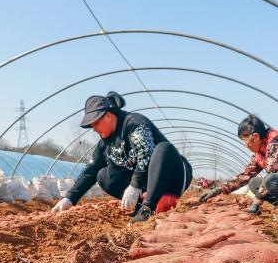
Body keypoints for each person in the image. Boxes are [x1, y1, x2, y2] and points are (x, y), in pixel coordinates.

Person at [52, 91, 193, 223]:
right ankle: (143, 204)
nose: (94, 129)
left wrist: (135, 185)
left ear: (107, 115)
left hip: (174, 178)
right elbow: (90, 171)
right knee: (103, 175)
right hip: (147, 186)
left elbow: (146, 151)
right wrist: (70, 198)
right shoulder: (104, 145)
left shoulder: (134, 123)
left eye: (95, 123)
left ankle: (148, 207)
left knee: (163, 148)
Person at [199, 114, 278, 221]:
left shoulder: (276, 143)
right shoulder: (260, 151)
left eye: (244, 140)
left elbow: (271, 176)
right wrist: (218, 190)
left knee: (270, 180)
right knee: (254, 182)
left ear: (255, 137)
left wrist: (255, 204)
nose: (245, 145)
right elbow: (245, 176)